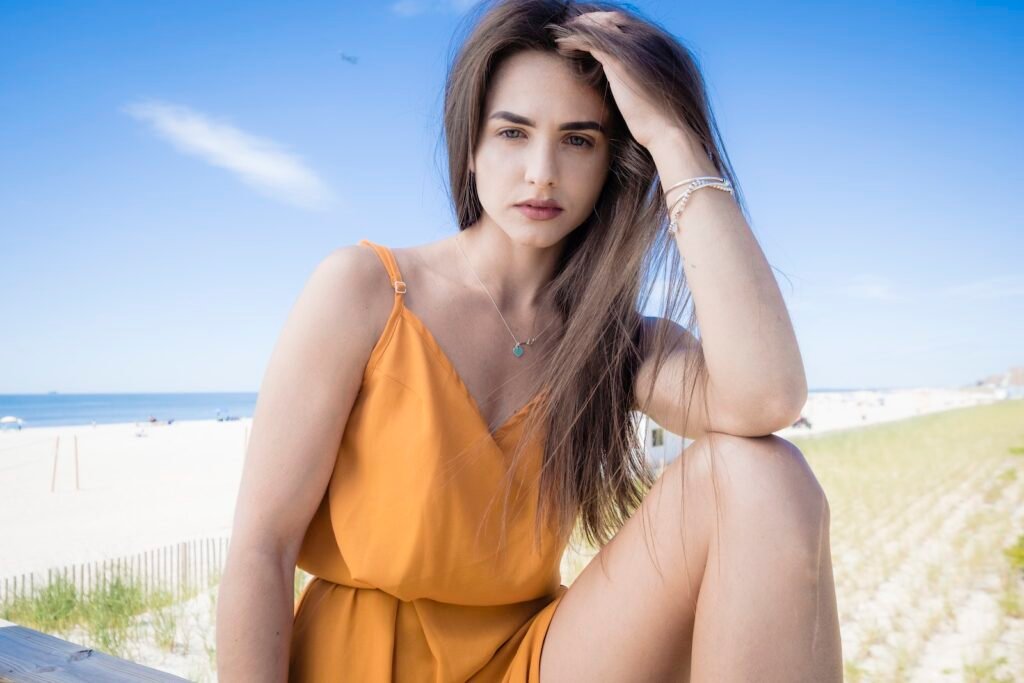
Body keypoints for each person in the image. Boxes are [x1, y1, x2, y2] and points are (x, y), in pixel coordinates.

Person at [216, 1, 842, 681]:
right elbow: (261, 548)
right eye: (513, 133)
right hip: (358, 661)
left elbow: (768, 396)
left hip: (534, 660)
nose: (542, 172)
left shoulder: (614, 343)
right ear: (472, 144)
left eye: (579, 140)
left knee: (767, 476)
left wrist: (671, 135)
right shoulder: (364, 289)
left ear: (613, 161)